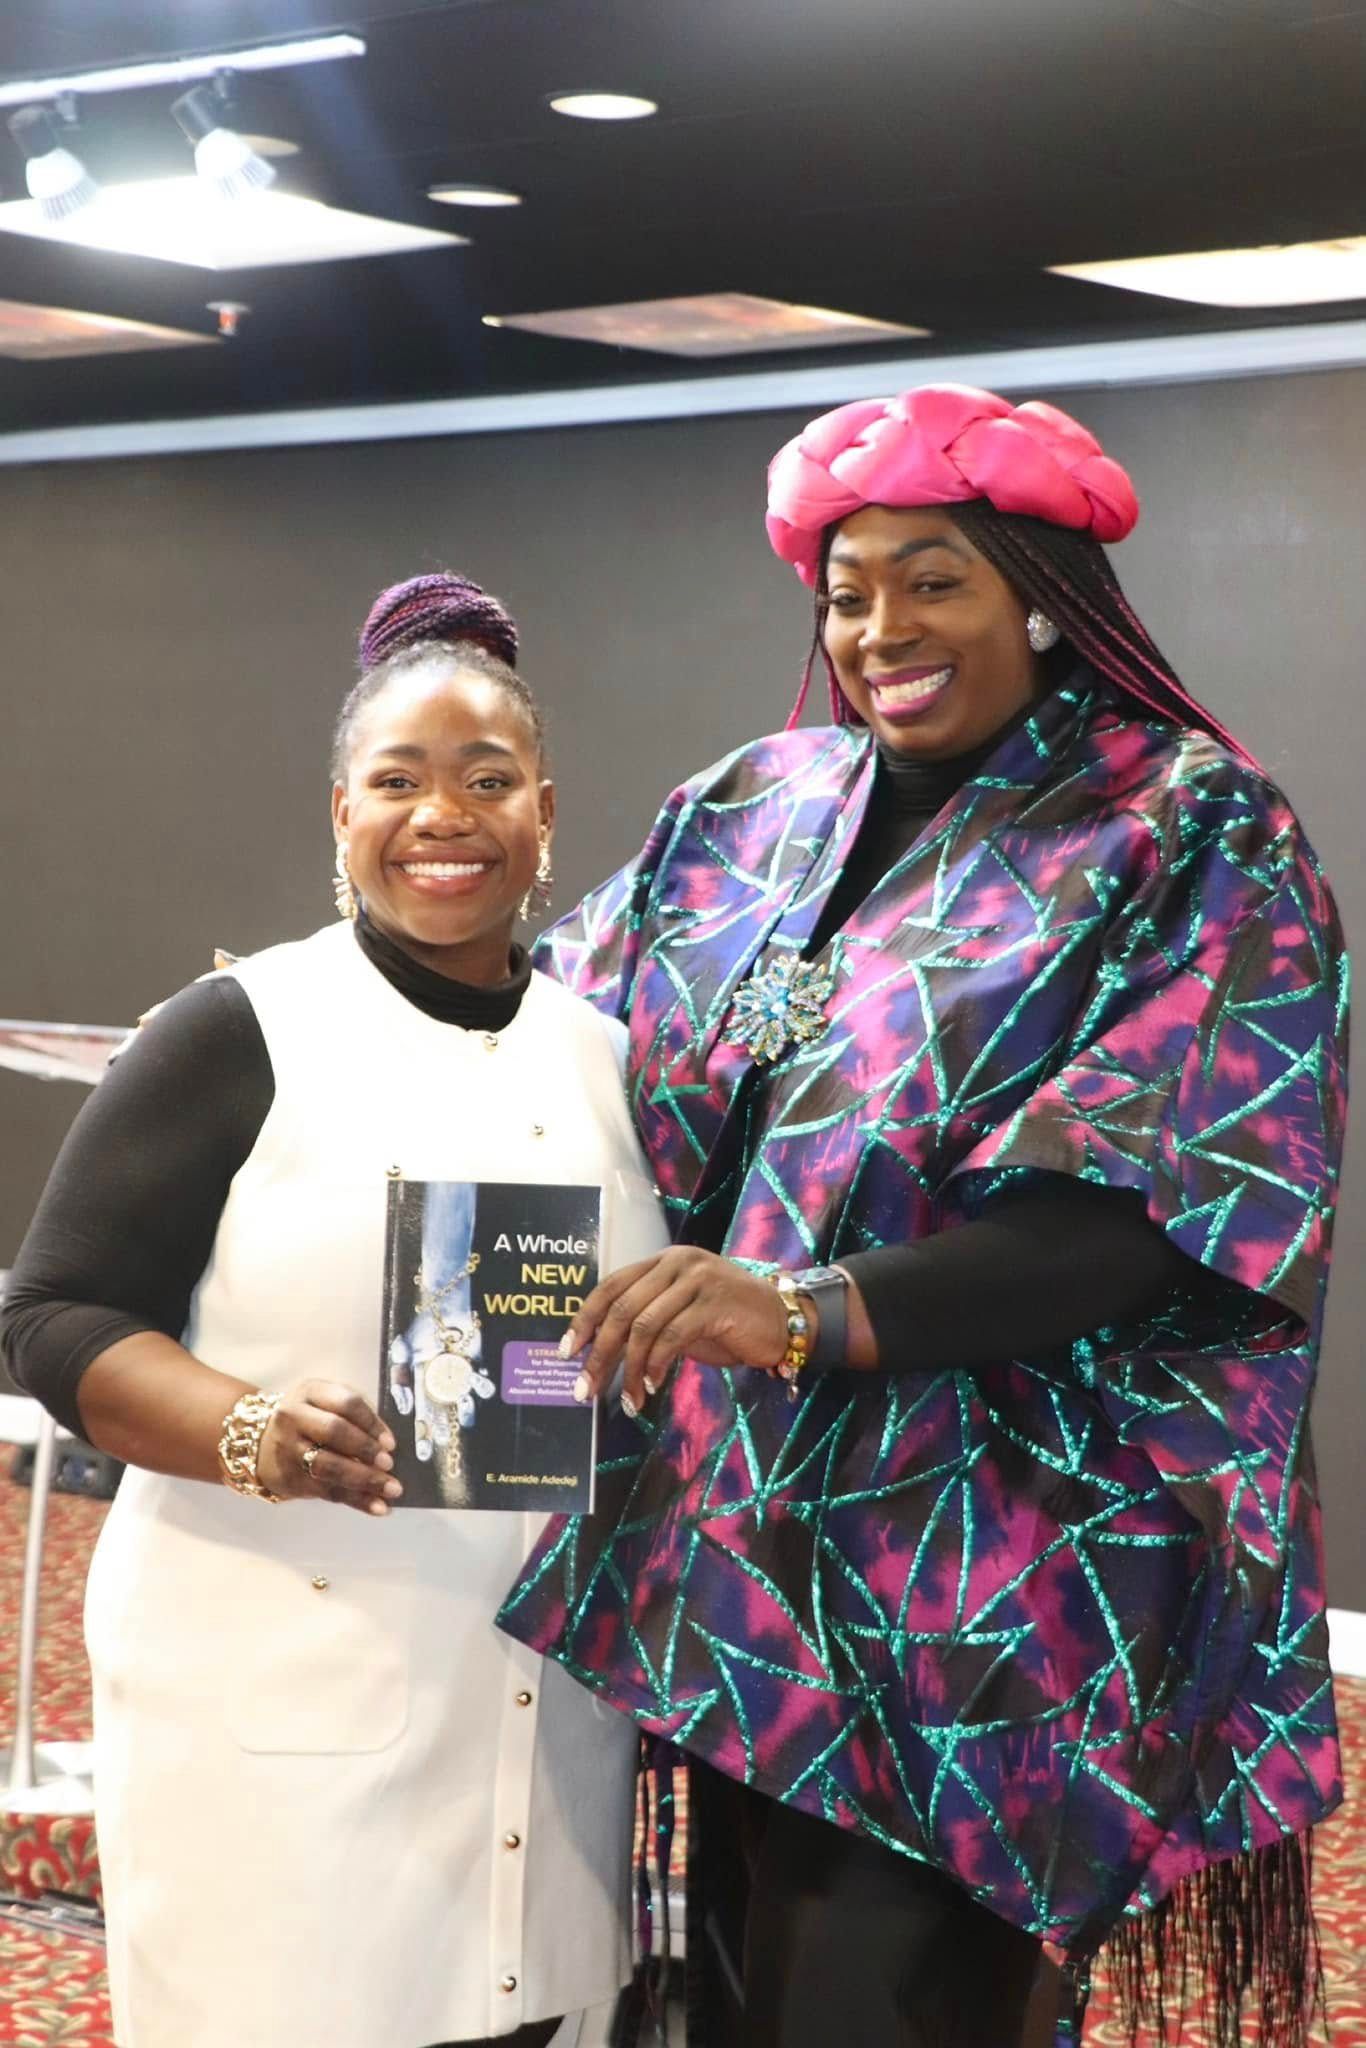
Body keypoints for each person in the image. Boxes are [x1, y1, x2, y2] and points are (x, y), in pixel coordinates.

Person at [497, 387, 1348, 2048]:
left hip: (995, 1589)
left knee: (871, 2010)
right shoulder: (746, 811)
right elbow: (549, 1046)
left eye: (933, 579)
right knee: (727, 1996)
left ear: (1039, 594)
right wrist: (309, 1028)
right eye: (847, 591)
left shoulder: (1180, 826)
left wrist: (793, 1310)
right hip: (726, 1559)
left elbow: (1157, 1211)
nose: (879, 626)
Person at [1, 574, 667, 2048]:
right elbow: (54, 1314)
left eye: (487, 779)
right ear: (341, 812)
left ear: (546, 814)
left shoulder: (608, 1060)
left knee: (519, 2017)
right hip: (275, 1701)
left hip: (537, 1714)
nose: (444, 815)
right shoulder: (238, 1030)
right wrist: (247, 1427)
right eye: (400, 779)